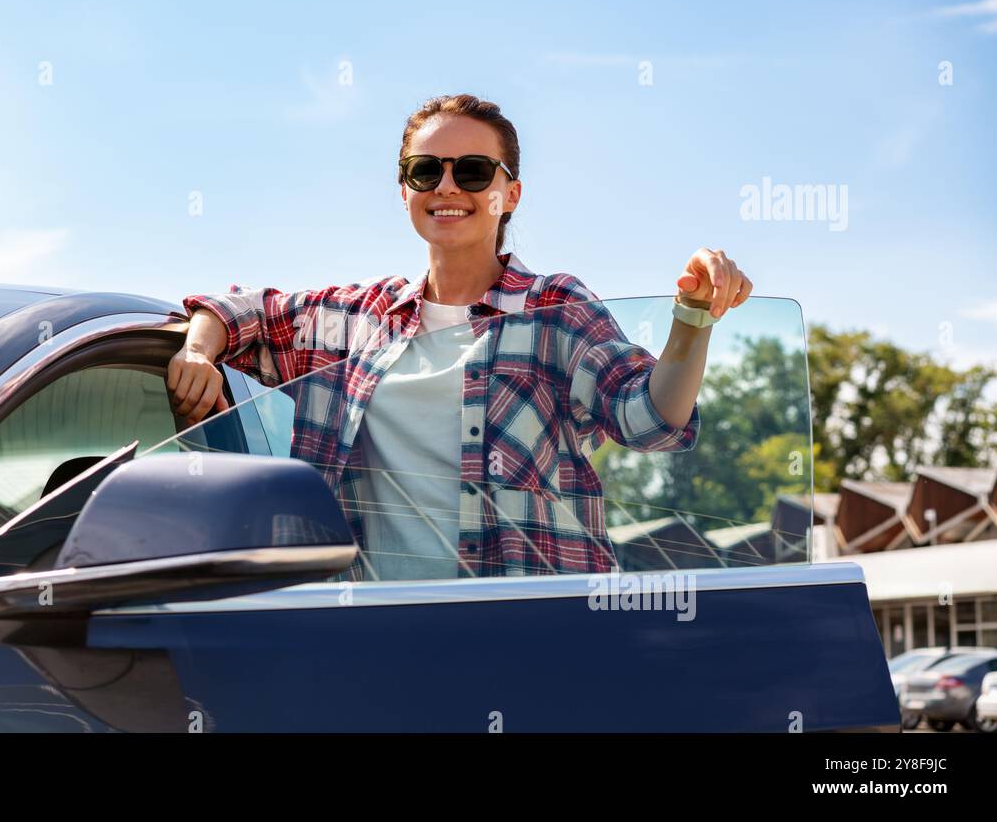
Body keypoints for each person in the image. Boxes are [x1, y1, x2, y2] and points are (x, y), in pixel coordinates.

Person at [167, 93, 752, 580]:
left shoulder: (555, 308)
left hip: (530, 631)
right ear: (404, 190)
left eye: (472, 171)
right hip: (369, 638)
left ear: (510, 194)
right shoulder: (355, 319)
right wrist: (197, 348)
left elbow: (649, 418)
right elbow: (242, 310)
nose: (447, 186)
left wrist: (692, 318)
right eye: (426, 171)